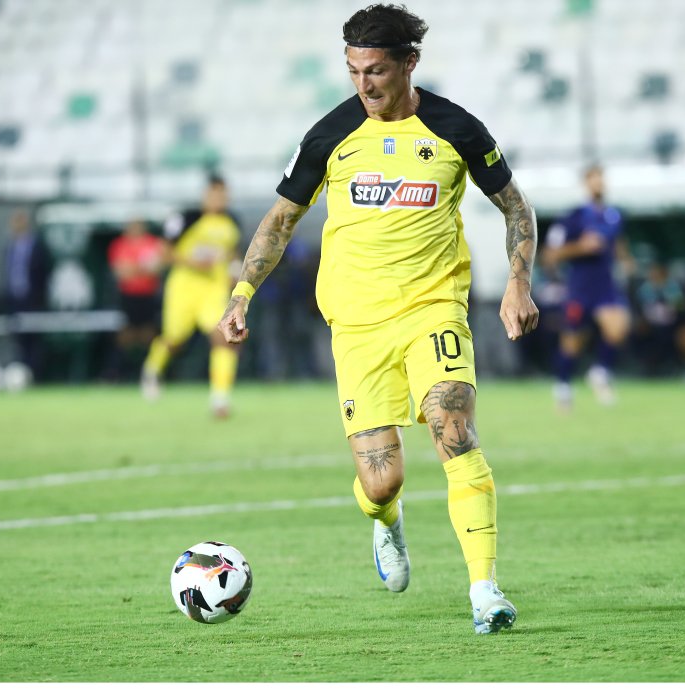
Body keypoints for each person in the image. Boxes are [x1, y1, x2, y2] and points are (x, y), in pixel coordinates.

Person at [217, 4, 538, 635]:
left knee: (454, 429)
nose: (364, 84)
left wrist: (518, 283)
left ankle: (484, 589)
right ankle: (386, 521)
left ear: (409, 63)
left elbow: (515, 208)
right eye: (354, 71)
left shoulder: (456, 129)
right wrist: (241, 294)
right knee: (382, 480)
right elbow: (280, 221)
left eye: (377, 71)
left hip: (433, 307)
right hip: (358, 325)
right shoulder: (330, 135)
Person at [142, 175, 242, 417]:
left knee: (223, 337)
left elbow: (233, 254)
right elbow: (164, 252)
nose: (219, 199)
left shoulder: (232, 222)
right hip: (184, 288)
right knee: (175, 339)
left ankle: (220, 398)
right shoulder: (186, 218)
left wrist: (235, 273)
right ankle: (152, 369)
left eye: (223, 194)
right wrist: (194, 263)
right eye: (214, 194)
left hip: (214, 290)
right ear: (205, 195)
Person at [541, 164, 630, 408]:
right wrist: (580, 247)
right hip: (580, 286)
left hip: (605, 285)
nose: (598, 183)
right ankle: (563, 387)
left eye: (601, 178)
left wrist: (625, 260)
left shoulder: (614, 215)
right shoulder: (572, 217)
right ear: (586, 183)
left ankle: (599, 372)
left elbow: (617, 243)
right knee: (572, 342)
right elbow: (550, 254)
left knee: (618, 327)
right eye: (594, 178)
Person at [107, 219, 167, 381]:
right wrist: (142, 268)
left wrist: (134, 268)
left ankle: (150, 370)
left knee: (149, 333)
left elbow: (156, 269)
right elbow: (121, 272)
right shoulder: (119, 244)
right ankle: (118, 371)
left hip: (148, 295)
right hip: (127, 296)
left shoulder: (152, 242)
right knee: (126, 335)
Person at [4, 208, 52, 380]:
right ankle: (22, 373)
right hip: (15, 300)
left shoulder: (37, 246)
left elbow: (44, 273)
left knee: (35, 339)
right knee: (19, 340)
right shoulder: (9, 246)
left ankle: (36, 375)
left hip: (33, 300)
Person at [632, 262, 685, 377]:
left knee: (682, 335)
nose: (655, 275)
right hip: (650, 326)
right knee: (637, 332)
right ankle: (644, 365)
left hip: (672, 326)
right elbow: (637, 310)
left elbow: (682, 310)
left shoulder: (675, 289)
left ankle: (675, 366)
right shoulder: (643, 290)